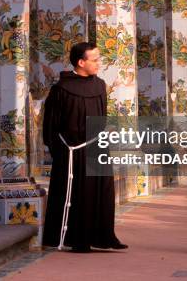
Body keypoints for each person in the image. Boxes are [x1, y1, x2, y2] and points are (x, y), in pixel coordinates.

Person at [42, 42, 127, 252]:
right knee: (79, 194)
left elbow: (102, 116)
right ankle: (77, 239)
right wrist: (62, 152)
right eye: (95, 59)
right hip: (72, 152)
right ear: (81, 62)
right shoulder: (61, 89)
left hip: (97, 148)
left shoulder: (99, 85)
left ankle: (103, 237)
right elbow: (51, 125)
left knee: (102, 192)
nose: (99, 63)